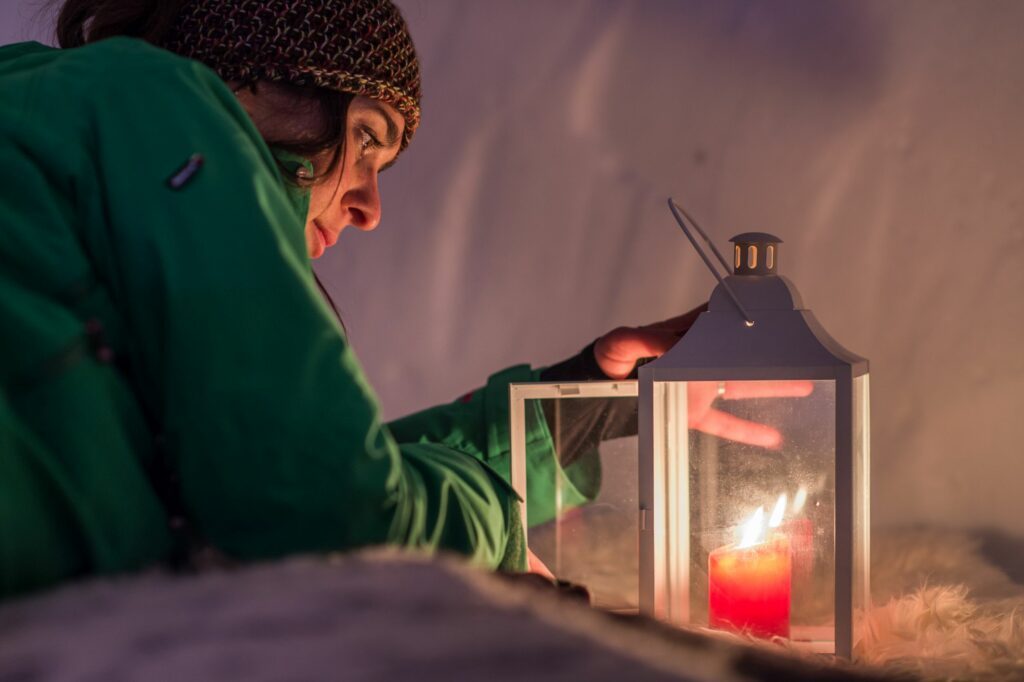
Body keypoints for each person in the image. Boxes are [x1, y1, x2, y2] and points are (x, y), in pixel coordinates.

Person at [0, 0, 801, 599]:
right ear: (240, 75)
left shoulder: (63, 158)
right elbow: (326, 514)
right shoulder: (152, 95)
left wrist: (583, 403)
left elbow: (276, 471)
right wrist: (491, 514)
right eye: (368, 139)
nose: (371, 207)